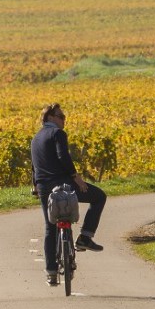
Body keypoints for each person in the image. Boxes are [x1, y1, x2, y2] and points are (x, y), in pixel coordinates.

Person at [31, 102, 107, 286]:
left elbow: (34, 165)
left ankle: (51, 272)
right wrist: (77, 178)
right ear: (50, 117)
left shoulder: (36, 138)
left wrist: (35, 186)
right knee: (99, 196)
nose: (64, 120)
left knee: (51, 227)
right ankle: (85, 238)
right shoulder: (57, 133)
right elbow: (62, 156)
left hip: (44, 187)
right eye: (61, 116)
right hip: (63, 183)